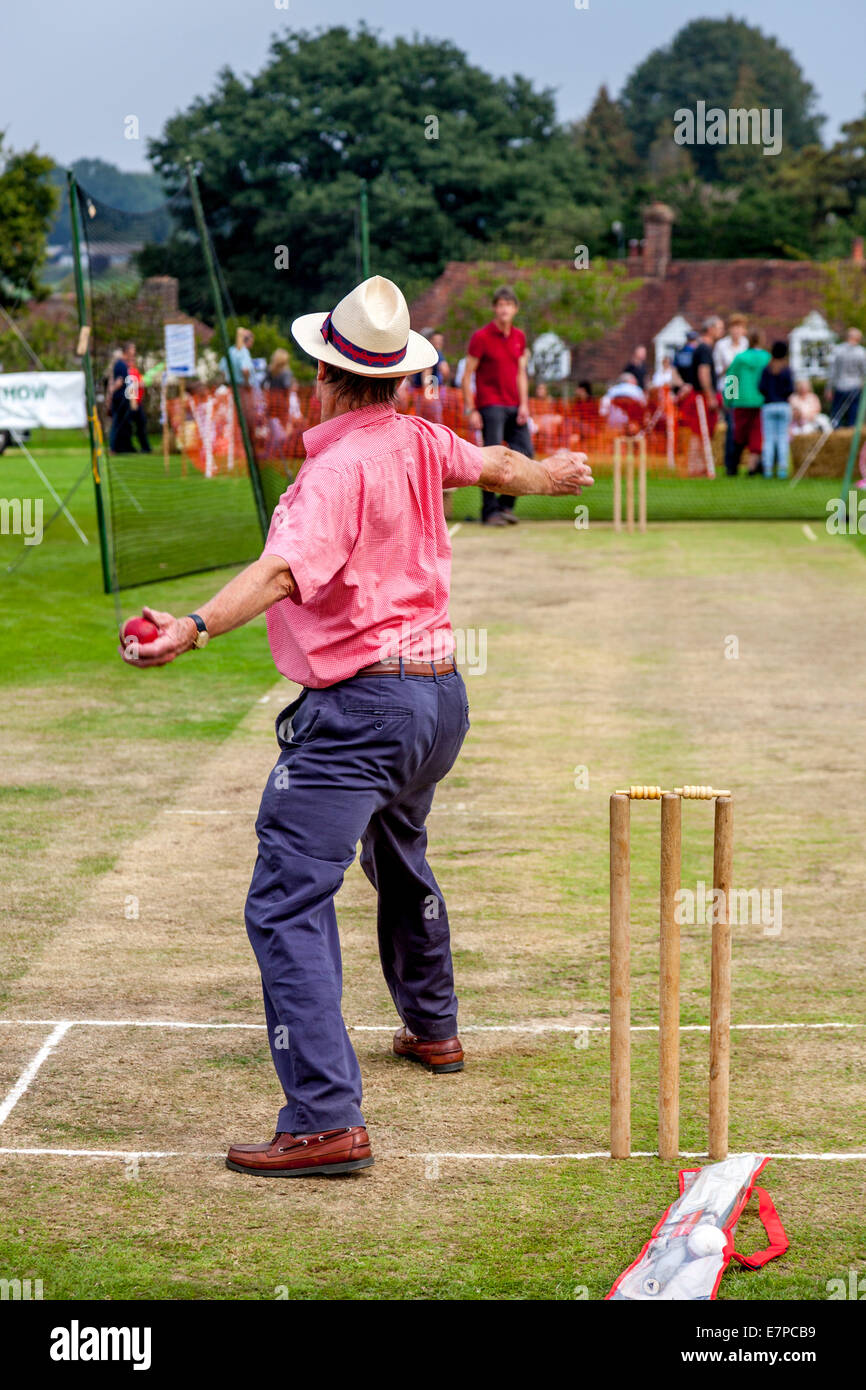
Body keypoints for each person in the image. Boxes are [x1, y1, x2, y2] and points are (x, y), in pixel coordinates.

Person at [119, 274, 593, 1178]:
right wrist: (551, 474)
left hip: (364, 710)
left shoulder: (331, 471)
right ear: (400, 378)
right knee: (397, 853)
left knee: (286, 900)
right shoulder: (416, 437)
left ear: (325, 375)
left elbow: (281, 574)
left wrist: (190, 629)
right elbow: (494, 463)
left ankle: (324, 1119)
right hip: (438, 702)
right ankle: (433, 1028)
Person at [463, 285, 532, 527]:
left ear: (515, 309)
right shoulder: (481, 337)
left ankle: (506, 506)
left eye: (508, 305)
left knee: (525, 453)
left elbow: (521, 373)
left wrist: (525, 404)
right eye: (500, 305)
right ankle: (489, 511)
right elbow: (466, 375)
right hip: (490, 405)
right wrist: (471, 409)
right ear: (495, 308)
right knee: (491, 460)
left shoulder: (519, 338)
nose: (504, 309)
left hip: (515, 405)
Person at [679, 317, 724, 476]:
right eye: (719, 328)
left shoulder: (704, 348)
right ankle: (695, 468)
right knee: (699, 433)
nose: (721, 331)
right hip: (701, 398)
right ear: (710, 329)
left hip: (701, 395)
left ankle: (700, 467)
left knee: (703, 433)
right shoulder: (704, 348)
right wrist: (710, 396)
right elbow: (703, 373)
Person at [724, 330, 770, 476]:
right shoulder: (767, 358)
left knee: (738, 434)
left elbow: (732, 378)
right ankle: (752, 467)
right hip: (760, 400)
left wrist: (728, 399)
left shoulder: (740, 358)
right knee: (757, 434)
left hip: (741, 400)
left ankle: (733, 466)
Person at [714, 314, 749, 475]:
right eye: (734, 327)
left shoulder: (746, 345)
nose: (736, 331)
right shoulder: (722, 346)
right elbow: (717, 370)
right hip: (729, 385)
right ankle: (730, 464)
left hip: (744, 388)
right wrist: (729, 367)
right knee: (731, 424)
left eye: (740, 327)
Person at [758, 340, 795, 479]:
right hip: (783, 405)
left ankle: (767, 469)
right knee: (782, 439)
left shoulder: (767, 369)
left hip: (768, 406)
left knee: (768, 439)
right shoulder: (787, 370)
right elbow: (790, 389)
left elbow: (761, 387)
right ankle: (782, 469)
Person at [825, 327, 866, 427]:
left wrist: (829, 388)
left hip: (840, 386)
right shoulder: (862, 352)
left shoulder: (838, 350)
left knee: (837, 415)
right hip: (854, 387)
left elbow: (832, 372)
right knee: (852, 416)